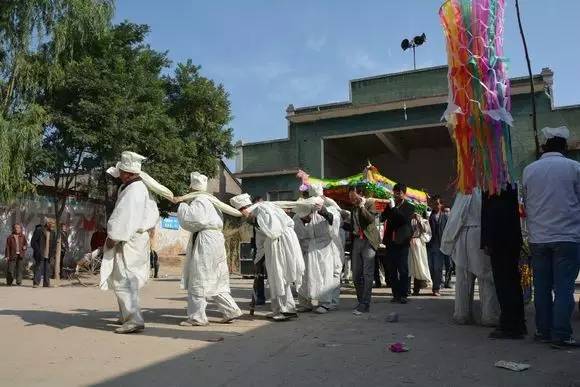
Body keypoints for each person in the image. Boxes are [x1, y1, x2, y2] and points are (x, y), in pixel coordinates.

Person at [522, 126, 580, 349]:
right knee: (564, 288)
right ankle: (562, 334)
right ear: (564, 147)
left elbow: (526, 202)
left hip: (539, 238)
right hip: (567, 237)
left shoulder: (530, 170)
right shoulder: (574, 168)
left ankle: (542, 331)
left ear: (544, 146)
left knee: (542, 288)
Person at [100, 151, 160, 334]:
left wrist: (113, 237)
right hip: (134, 237)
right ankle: (125, 315)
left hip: (128, 239)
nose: (118, 177)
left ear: (127, 173)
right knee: (123, 278)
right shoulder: (133, 187)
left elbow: (124, 216)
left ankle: (133, 319)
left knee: (124, 279)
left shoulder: (134, 190)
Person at [175, 172, 242, 327]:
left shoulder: (199, 201)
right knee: (216, 278)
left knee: (199, 277)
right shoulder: (212, 201)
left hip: (206, 241)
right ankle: (230, 310)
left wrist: (183, 205)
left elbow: (191, 221)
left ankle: (197, 317)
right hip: (215, 240)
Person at [231, 193, 304, 321]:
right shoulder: (256, 216)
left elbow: (274, 230)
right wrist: (257, 261)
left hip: (280, 243)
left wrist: (254, 220)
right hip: (273, 245)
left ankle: (287, 310)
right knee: (274, 278)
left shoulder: (263, 209)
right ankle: (277, 309)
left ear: (244, 209)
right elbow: (261, 242)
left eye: (242, 212)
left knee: (280, 276)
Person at [440, 189, 500, 326]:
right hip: (479, 234)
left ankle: (462, 314)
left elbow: (456, 217)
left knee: (463, 278)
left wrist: (450, 239)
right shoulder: (486, 188)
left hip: (462, 234)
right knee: (486, 277)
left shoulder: (464, 191)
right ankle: (489, 315)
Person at [481, 184, 527, 340]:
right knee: (513, 282)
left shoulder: (491, 189)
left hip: (498, 242)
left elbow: (488, 216)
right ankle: (518, 323)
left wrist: (486, 242)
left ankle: (509, 324)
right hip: (512, 240)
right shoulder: (512, 187)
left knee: (504, 284)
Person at [294, 197, 335, 314]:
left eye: (307, 216)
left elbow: (333, 220)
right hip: (306, 250)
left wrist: (324, 211)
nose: (306, 219)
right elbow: (296, 235)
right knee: (305, 277)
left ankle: (325, 303)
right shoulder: (297, 218)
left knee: (323, 275)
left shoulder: (322, 214)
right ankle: (306, 303)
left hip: (323, 249)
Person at [307, 184, 344, 310]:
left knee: (331, 272)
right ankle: (319, 300)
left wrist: (323, 210)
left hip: (329, 244)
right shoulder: (310, 207)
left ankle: (329, 302)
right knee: (316, 273)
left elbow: (334, 219)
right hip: (314, 245)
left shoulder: (330, 205)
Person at [380, 183, 415, 304]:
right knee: (391, 269)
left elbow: (403, 220)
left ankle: (404, 294)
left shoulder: (410, 207)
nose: (396, 195)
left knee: (403, 269)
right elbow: (382, 218)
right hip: (391, 242)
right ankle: (396, 294)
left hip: (403, 242)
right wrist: (387, 208)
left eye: (399, 192)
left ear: (404, 194)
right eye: (395, 192)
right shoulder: (390, 206)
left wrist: (394, 208)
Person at [348, 186, 380, 315]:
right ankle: (361, 301)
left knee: (367, 274)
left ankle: (365, 304)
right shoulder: (353, 207)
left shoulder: (370, 203)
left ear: (360, 194)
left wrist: (362, 206)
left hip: (368, 241)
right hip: (357, 241)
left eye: (354, 197)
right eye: (350, 198)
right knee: (355, 275)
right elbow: (353, 225)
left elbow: (370, 219)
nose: (352, 200)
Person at [427, 195, 449, 296]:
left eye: (438, 204)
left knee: (437, 268)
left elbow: (448, 231)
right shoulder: (428, 215)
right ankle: (435, 285)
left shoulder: (445, 216)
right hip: (430, 245)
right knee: (430, 268)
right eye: (434, 203)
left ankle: (436, 288)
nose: (436, 205)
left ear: (441, 205)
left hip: (440, 246)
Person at [409, 212, 432, 296]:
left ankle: (416, 288)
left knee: (419, 266)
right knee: (409, 266)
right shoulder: (408, 219)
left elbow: (426, 231)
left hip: (419, 244)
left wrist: (419, 220)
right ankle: (407, 289)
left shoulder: (424, 221)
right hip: (409, 243)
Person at [251, 196, 267, 306]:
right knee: (258, 274)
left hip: (270, 246)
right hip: (258, 246)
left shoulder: (267, 215)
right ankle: (260, 297)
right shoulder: (254, 217)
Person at [35, 219, 59, 288]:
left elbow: (54, 244)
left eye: (54, 224)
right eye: (52, 224)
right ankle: (36, 283)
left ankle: (46, 283)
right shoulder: (40, 230)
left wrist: (53, 253)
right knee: (39, 268)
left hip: (49, 254)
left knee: (47, 269)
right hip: (41, 253)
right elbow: (33, 242)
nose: (53, 226)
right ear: (48, 224)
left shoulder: (53, 232)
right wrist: (38, 251)